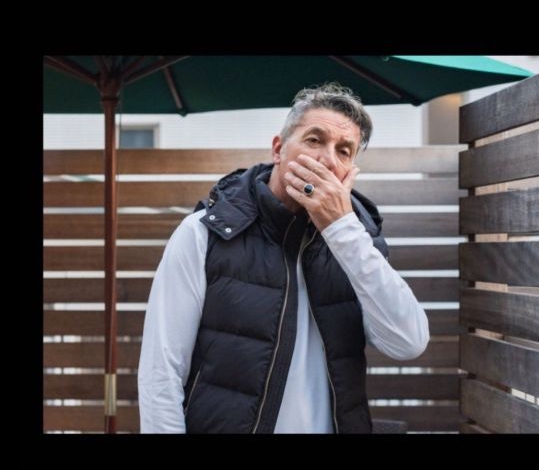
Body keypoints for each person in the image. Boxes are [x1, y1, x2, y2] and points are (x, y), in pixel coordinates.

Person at [138, 83, 429, 434]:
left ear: (350, 170)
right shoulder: (204, 234)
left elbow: (407, 342)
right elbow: (161, 373)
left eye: (344, 151)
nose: (327, 159)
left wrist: (342, 230)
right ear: (278, 149)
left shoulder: (358, 244)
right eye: (314, 140)